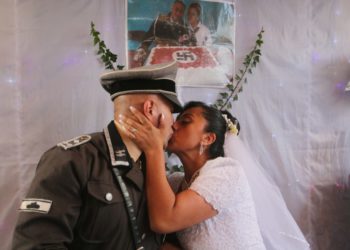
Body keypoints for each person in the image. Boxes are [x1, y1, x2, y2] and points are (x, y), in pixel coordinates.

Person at [11, 61, 183, 250]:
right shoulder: (72, 160)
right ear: (150, 110)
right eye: (170, 112)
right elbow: (36, 245)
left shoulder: (150, 164)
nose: (174, 124)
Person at [119, 101, 310, 250]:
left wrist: (154, 150)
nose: (174, 126)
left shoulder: (227, 172)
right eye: (176, 120)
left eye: (185, 121)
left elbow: (164, 220)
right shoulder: (177, 183)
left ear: (208, 138)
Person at [133, 0, 190, 64]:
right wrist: (141, 50)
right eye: (176, 10)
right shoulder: (159, 22)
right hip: (159, 58)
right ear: (172, 8)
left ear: (183, 13)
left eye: (181, 11)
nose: (178, 13)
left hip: (176, 60)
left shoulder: (185, 28)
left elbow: (188, 46)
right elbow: (147, 40)